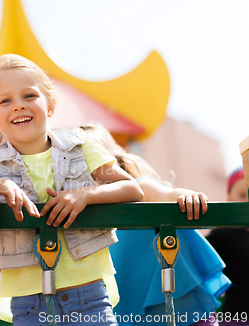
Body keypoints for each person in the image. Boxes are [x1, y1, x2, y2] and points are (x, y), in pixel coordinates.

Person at [0, 54, 144, 325]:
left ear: (50, 105)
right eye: (5, 101)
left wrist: (85, 195)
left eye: (29, 96)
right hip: (29, 304)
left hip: (88, 295)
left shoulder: (80, 147)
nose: (18, 106)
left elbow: (131, 188)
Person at [76, 123, 231, 326]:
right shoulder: (79, 209)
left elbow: (165, 194)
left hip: (177, 300)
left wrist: (186, 196)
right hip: (123, 302)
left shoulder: (137, 189)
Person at [207, 167, 249, 322]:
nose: (248, 200)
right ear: (229, 197)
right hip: (238, 317)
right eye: (243, 195)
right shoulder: (223, 234)